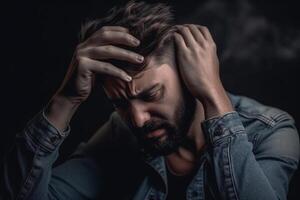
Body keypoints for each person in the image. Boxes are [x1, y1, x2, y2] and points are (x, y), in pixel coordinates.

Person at [2, 1, 299, 200]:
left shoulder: (272, 131)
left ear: (189, 75)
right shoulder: (121, 133)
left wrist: (212, 94)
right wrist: (64, 100)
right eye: (120, 104)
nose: (138, 119)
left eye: (151, 94)